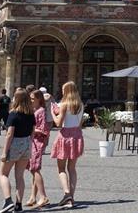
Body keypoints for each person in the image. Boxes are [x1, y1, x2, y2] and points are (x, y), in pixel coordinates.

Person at [0, 89, 35, 213]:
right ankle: (19, 204)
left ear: (16, 99)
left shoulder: (13, 114)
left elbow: (9, 134)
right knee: (20, 176)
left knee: (3, 173)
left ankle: (8, 201)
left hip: (15, 143)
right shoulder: (31, 114)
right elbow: (33, 132)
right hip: (26, 143)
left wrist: (4, 151)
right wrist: (29, 143)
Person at [51, 81, 85, 209]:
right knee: (72, 168)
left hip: (65, 136)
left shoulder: (64, 104)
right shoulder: (81, 105)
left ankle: (66, 194)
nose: (62, 92)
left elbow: (58, 123)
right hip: (77, 135)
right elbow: (80, 123)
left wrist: (53, 114)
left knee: (61, 168)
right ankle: (72, 197)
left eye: (63, 90)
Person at [26, 90, 50, 209]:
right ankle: (32, 196)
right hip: (33, 142)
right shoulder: (35, 111)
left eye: (32, 99)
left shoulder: (41, 111)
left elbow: (43, 130)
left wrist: (30, 129)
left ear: (39, 99)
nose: (30, 101)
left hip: (37, 143)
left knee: (35, 169)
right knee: (32, 169)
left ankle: (43, 196)